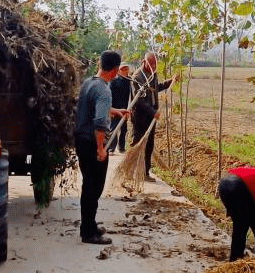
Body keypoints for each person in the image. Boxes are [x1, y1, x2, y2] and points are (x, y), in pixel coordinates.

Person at [73, 50, 129, 244]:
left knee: (89, 184)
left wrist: (115, 111)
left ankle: (89, 224)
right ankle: (88, 233)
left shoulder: (89, 83)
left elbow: (93, 109)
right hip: (91, 142)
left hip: (81, 139)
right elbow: (98, 122)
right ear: (115, 70)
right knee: (93, 187)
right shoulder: (104, 90)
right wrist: (101, 149)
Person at [130, 52, 179, 182]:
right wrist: (152, 111)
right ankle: (132, 170)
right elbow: (140, 100)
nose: (153, 66)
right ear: (144, 62)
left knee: (149, 144)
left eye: (154, 64)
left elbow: (157, 88)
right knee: (137, 143)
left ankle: (145, 172)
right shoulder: (137, 77)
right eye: (151, 64)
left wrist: (170, 82)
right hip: (140, 116)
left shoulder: (153, 75)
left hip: (151, 117)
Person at [108, 63, 132, 153]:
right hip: (115, 108)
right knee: (113, 128)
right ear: (119, 71)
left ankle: (121, 147)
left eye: (127, 69)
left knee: (123, 129)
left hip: (124, 108)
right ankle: (111, 148)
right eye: (124, 69)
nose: (126, 71)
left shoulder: (129, 81)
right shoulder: (113, 81)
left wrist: (129, 108)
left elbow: (131, 95)